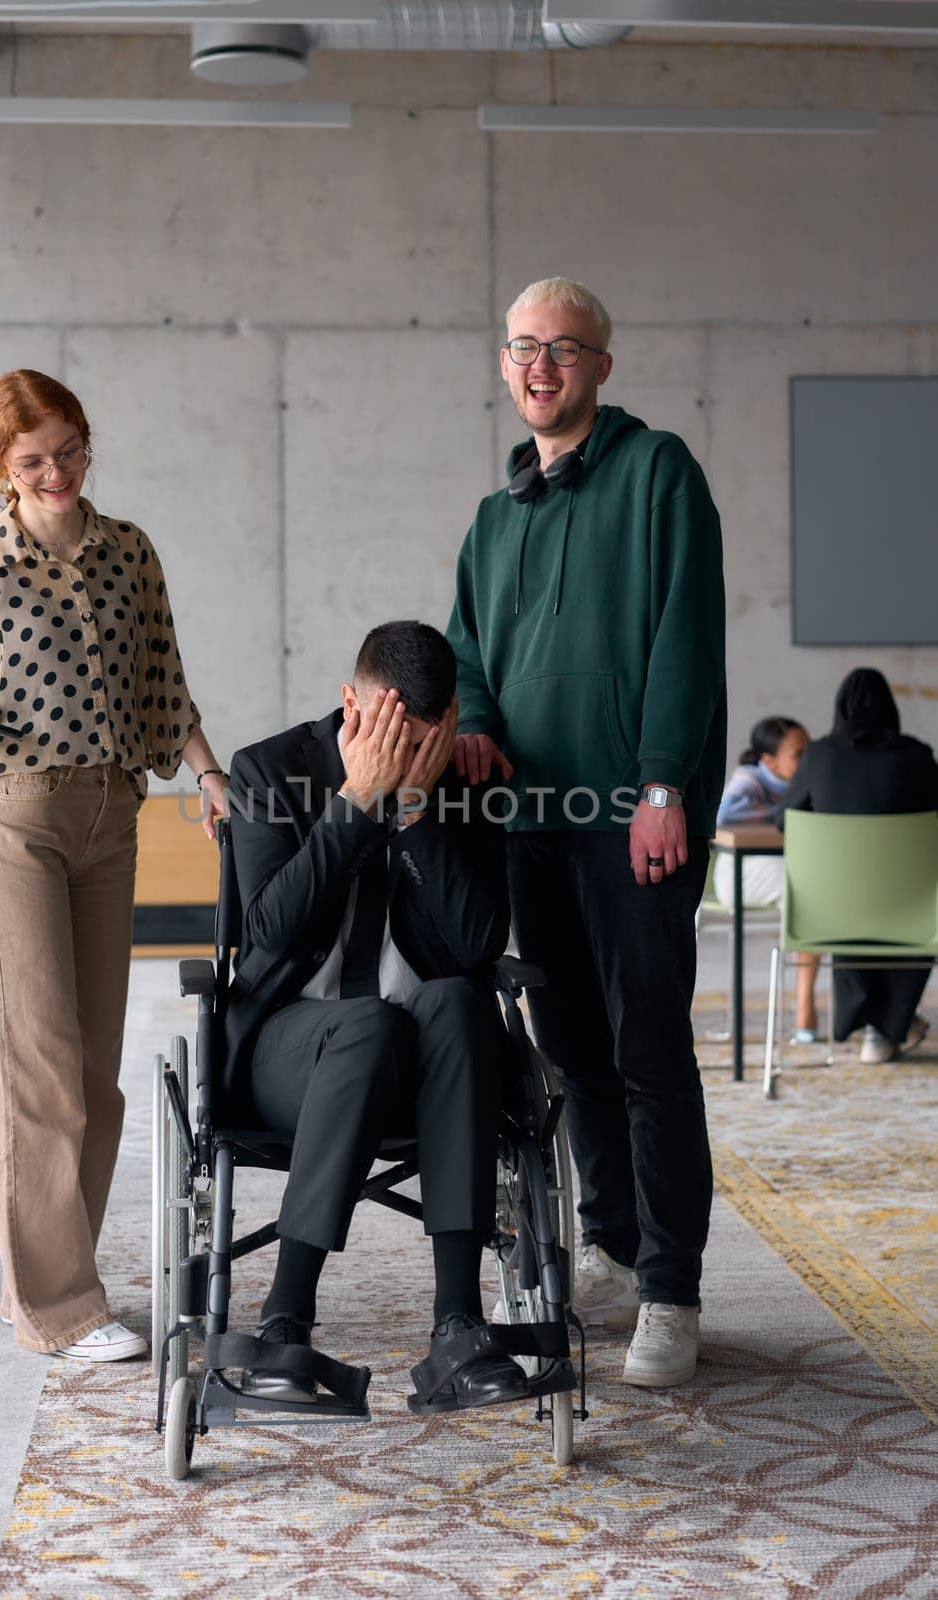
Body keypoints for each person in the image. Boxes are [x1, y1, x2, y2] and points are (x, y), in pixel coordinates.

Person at [0, 369, 227, 1360]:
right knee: (35, 1069)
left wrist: (209, 777)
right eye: (31, 459)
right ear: (1, 466)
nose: (55, 472)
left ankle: (37, 1280)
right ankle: (62, 1307)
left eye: (70, 451)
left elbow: (163, 679)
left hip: (110, 817)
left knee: (94, 1075)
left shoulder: (128, 552)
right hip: (16, 821)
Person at [446, 276, 726, 1389]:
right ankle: (608, 1241)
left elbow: (685, 635)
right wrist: (469, 722)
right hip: (532, 823)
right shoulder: (491, 516)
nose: (540, 366)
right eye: (522, 347)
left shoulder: (658, 474)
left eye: (563, 347)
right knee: (570, 1047)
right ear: (503, 364)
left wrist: (663, 784)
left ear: (601, 366)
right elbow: (467, 648)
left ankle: (671, 1289)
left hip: (630, 818)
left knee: (649, 1048)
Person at [225, 620, 527, 1411]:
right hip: (292, 1053)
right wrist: (356, 803)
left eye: (422, 740)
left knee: (459, 1000)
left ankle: (458, 1326)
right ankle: (284, 1322)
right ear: (349, 704)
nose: (404, 754)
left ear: (450, 725)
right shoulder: (269, 770)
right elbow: (267, 935)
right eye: (389, 734)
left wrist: (421, 809)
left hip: (425, 1063)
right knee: (367, 1023)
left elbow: (474, 944)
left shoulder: (460, 782)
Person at [781, 667, 938, 1064]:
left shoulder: (819, 755)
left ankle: (878, 1026)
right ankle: (888, 1025)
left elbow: (785, 820)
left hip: (832, 912)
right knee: (913, 903)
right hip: (914, 907)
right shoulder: (918, 756)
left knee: (849, 901)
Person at [715, 716, 819, 1042]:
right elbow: (723, 816)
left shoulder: (810, 781)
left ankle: (805, 998)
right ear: (769, 761)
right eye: (798, 754)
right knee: (807, 889)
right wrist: (781, 813)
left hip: (787, 869)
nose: (808, 761)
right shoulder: (749, 781)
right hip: (740, 874)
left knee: (810, 887)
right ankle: (805, 1002)